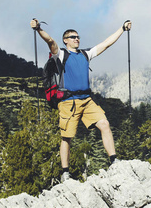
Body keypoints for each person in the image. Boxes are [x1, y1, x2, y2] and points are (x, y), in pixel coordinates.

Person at [30, 18, 132, 182]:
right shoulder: (61, 54)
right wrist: (38, 28)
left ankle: (114, 161)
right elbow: (50, 41)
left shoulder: (86, 54)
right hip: (68, 102)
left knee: (104, 124)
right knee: (67, 137)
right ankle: (65, 173)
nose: (76, 39)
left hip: (87, 100)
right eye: (73, 37)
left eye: (78, 37)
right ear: (65, 40)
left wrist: (122, 28)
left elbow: (106, 43)